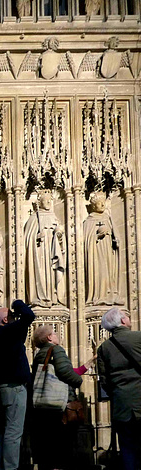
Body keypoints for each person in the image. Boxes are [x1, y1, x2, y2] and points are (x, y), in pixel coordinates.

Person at [0, 300, 35, 470]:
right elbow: (29, 316)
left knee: (4, 431)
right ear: (5, 320)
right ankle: (10, 468)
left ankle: (2, 466)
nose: (15, 318)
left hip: (3, 387)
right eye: (12, 316)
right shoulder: (8, 332)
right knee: (14, 431)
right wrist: (17, 304)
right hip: (14, 387)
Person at [30, 325, 83, 470]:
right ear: (49, 337)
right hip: (59, 404)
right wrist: (78, 380)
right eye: (54, 333)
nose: (57, 335)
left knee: (47, 447)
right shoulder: (56, 349)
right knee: (62, 446)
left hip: (43, 404)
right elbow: (65, 371)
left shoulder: (39, 354)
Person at [97, 307, 141, 470]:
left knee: (128, 450)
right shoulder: (138, 337)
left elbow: (104, 381)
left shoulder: (103, 348)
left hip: (121, 407)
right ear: (123, 321)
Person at [24, 190, 66, 307]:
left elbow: (61, 241)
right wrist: (36, 237)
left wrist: (59, 236)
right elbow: (27, 239)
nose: (48, 202)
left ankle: (52, 296)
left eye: (49, 199)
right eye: (45, 199)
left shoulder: (54, 218)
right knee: (40, 274)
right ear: (39, 202)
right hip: (38, 253)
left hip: (52, 253)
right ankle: (39, 297)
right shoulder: (34, 218)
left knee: (51, 275)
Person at [84, 191, 121, 306]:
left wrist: (115, 239)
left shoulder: (108, 218)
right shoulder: (88, 221)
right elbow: (85, 240)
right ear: (94, 205)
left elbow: (116, 236)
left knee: (109, 271)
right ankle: (99, 295)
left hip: (108, 251)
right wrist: (97, 236)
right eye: (100, 203)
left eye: (104, 202)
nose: (103, 205)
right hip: (96, 252)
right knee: (100, 271)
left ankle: (111, 294)